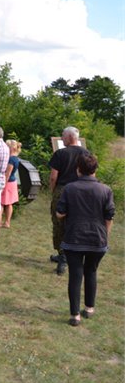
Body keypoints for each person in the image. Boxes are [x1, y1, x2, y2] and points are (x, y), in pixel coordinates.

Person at [55, 153, 114, 326]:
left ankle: (75, 316)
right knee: (91, 271)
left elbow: (60, 213)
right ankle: (89, 308)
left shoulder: (69, 188)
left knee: (75, 275)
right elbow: (109, 216)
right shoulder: (106, 190)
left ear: (78, 169)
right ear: (95, 169)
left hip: (74, 237)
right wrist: (105, 237)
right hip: (98, 239)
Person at [48, 126, 89, 275]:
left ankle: (62, 256)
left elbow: (53, 177)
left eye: (63, 136)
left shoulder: (60, 153)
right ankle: (69, 256)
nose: (62, 138)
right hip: (81, 192)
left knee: (59, 224)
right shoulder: (86, 153)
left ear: (69, 137)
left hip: (62, 190)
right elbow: (91, 174)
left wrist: (53, 192)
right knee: (75, 223)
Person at [0, 139, 22, 228]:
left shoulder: (10, 159)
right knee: (9, 204)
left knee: (0, 203)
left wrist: (3, 185)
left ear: (10, 148)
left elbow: (7, 173)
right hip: (13, 182)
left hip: (8, 183)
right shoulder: (16, 158)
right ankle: (7, 222)